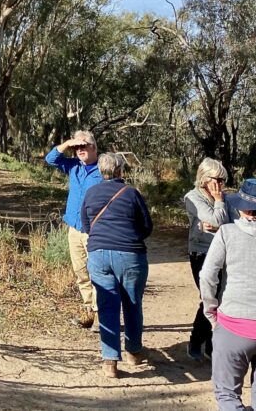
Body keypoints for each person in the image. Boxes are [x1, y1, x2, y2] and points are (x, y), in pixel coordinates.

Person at [81, 152, 153, 379]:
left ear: (101, 171)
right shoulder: (131, 193)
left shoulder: (91, 192)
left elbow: (85, 224)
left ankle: (110, 361)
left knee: (107, 306)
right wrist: (131, 237)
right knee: (132, 303)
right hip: (130, 254)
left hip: (98, 254)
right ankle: (133, 351)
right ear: (120, 171)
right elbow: (146, 226)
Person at [200, 178, 256, 411]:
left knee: (227, 395)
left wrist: (211, 313)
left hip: (234, 325)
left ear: (241, 208)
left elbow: (207, 276)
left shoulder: (227, 233)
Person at [45, 130, 103, 329]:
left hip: (94, 230)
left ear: (94, 147)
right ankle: (88, 311)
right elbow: (51, 159)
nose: (80, 150)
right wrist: (68, 142)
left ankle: (100, 315)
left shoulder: (103, 170)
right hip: (74, 229)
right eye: (77, 147)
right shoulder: (73, 167)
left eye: (83, 146)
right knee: (81, 272)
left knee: (97, 272)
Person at [184, 158, 239, 362]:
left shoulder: (226, 198)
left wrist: (219, 210)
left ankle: (211, 346)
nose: (221, 184)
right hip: (201, 252)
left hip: (224, 251)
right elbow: (217, 220)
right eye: (217, 179)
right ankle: (196, 342)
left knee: (222, 296)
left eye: (223, 180)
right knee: (208, 297)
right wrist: (218, 202)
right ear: (205, 179)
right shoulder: (193, 197)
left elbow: (230, 223)